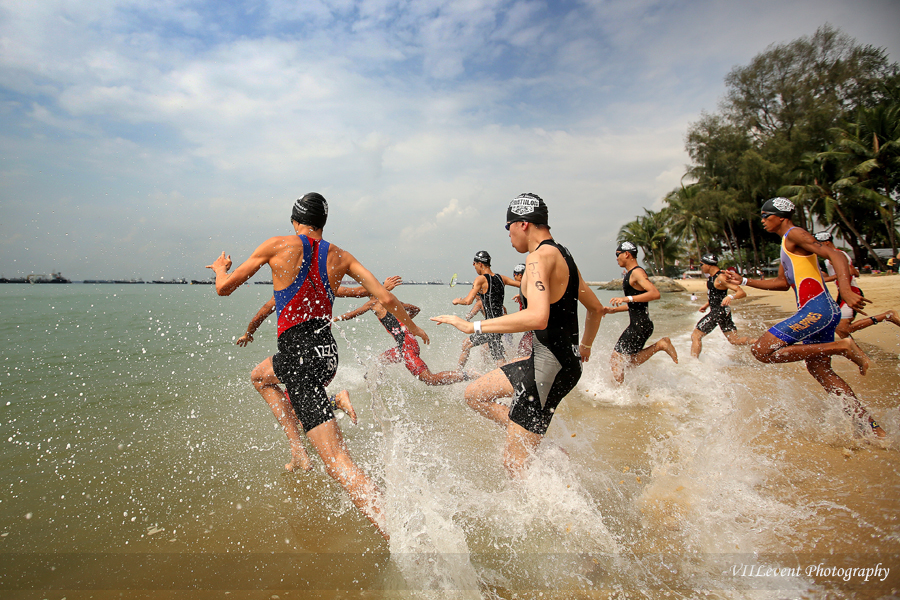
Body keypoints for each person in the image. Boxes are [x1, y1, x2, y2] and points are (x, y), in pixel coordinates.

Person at [206, 192, 429, 538]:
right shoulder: (342, 256)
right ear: (322, 223)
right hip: (327, 354)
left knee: (338, 459)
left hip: (299, 356)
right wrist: (411, 325)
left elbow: (224, 289)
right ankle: (299, 450)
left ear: (295, 220)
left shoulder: (277, 245)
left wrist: (221, 269)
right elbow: (383, 297)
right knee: (261, 376)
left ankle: (395, 532)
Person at [432, 193, 605, 476]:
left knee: (514, 465)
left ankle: (553, 513)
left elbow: (537, 316)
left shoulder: (537, 258)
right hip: (552, 361)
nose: (508, 234)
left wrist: (472, 326)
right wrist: (584, 345)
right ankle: (533, 439)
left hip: (548, 369)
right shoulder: (564, 256)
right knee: (475, 394)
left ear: (523, 223)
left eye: (508, 226)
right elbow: (596, 309)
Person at [721, 198, 883, 437]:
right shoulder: (786, 243)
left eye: (766, 216)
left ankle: (841, 346)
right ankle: (872, 429)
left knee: (760, 351)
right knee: (820, 371)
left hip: (817, 309)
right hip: (817, 310)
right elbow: (782, 284)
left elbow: (835, 255)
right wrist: (744, 281)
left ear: (781, 217)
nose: (763, 221)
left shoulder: (795, 233)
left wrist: (846, 290)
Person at [333, 277, 475, 385]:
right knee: (379, 361)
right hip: (406, 344)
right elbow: (416, 309)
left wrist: (333, 319)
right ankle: (376, 384)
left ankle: (467, 375)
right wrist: (407, 324)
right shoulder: (392, 301)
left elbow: (353, 314)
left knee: (429, 379)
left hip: (407, 347)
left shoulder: (373, 303)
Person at [606, 241, 678, 383]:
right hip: (641, 324)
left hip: (639, 326)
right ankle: (660, 345)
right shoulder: (631, 274)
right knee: (629, 362)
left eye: (617, 254)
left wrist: (627, 298)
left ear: (627, 254)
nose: (616, 258)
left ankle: (620, 396)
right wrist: (613, 310)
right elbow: (637, 304)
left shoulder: (637, 272)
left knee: (616, 361)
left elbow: (655, 293)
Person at [814, 232, 900, 338]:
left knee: (842, 328)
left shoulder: (836, 254)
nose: (816, 247)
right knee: (840, 329)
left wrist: (833, 277)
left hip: (851, 291)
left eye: (818, 244)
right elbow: (848, 273)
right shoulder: (832, 256)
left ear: (827, 243)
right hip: (843, 293)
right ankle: (853, 351)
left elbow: (852, 272)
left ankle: (887, 316)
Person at [452, 251, 520, 369]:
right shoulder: (501, 278)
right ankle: (507, 375)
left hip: (491, 326)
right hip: (501, 325)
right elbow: (522, 284)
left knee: (467, 344)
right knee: (499, 358)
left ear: (480, 264)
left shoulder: (480, 279)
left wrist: (458, 301)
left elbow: (468, 301)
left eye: (474, 264)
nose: (475, 268)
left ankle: (458, 373)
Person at [690, 254, 754, 358]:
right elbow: (715, 294)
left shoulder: (720, 277)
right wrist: (707, 305)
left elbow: (741, 292)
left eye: (701, 264)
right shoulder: (712, 277)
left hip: (718, 311)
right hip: (723, 311)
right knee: (734, 340)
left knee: (696, 335)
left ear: (709, 265)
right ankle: (761, 342)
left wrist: (730, 297)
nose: (701, 267)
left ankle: (693, 362)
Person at [510, 263, 534, 357]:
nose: (514, 279)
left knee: (522, 353)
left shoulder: (527, 289)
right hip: (532, 329)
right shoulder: (531, 288)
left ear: (520, 275)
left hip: (532, 329)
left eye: (514, 276)